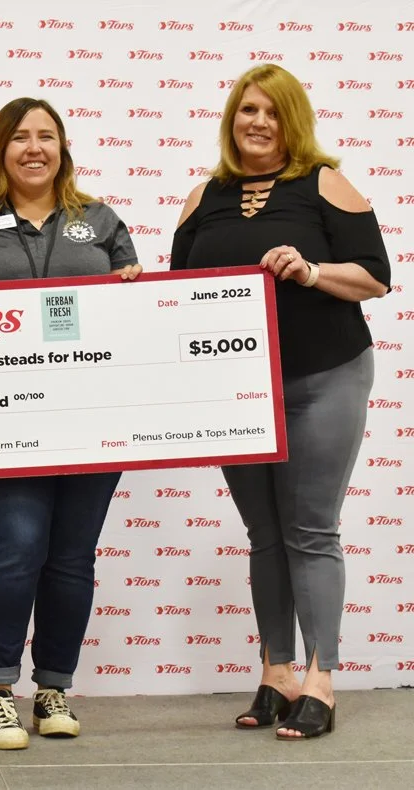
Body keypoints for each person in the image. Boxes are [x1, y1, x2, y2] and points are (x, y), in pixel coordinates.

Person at [171, 64, 390, 740]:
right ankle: (276, 672)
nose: (257, 122)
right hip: (236, 391)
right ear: (231, 119)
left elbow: (375, 279)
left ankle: (321, 680)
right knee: (264, 535)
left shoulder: (324, 184)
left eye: (270, 110)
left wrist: (313, 270)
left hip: (324, 376)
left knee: (311, 530)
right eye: (246, 110)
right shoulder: (203, 195)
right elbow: (174, 291)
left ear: (292, 119)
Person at [0, 97, 141, 750]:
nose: (33, 148)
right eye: (19, 137)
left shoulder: (102, 222)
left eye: (46, 136)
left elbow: (135, 321)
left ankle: (53, 687)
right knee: (18, 542)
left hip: (92, 420)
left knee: (72, 557)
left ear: (63, 149)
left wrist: (136, 293)